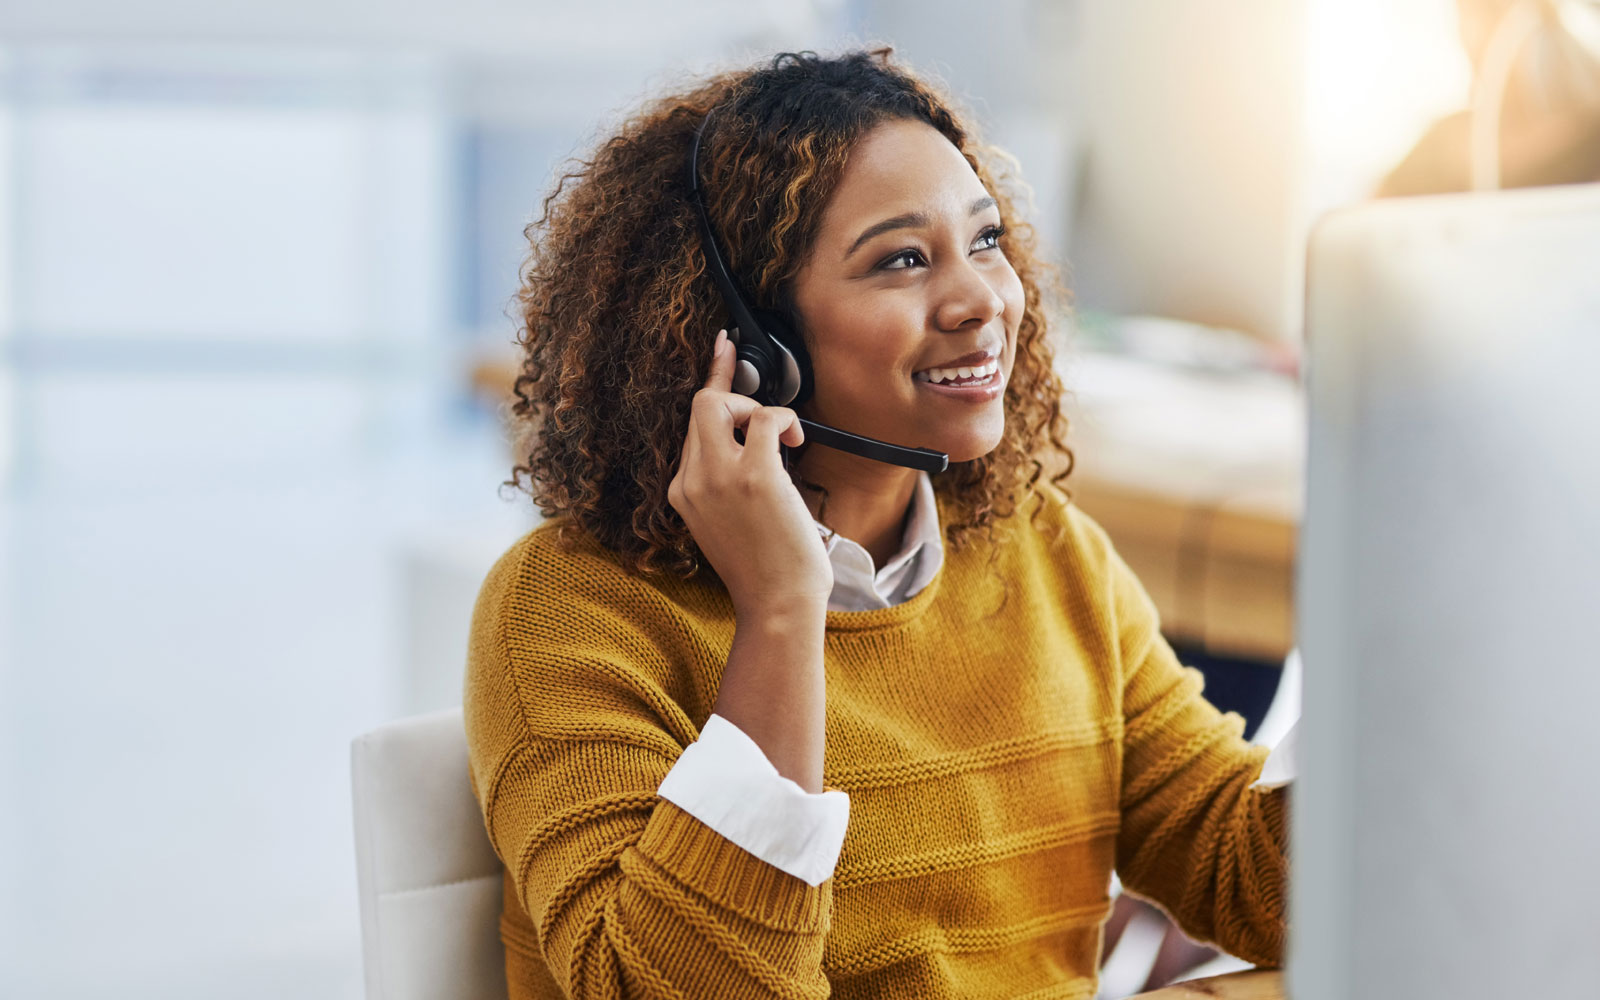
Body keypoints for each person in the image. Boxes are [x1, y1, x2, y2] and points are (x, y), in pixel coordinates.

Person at [463, 49, 1287, 1000]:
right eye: (901, 259)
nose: (984, 300)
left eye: (985, 242)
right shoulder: (570, 609)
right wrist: (780, 610)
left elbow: (1243, 872)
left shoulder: (1041, 547)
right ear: (749, 344)